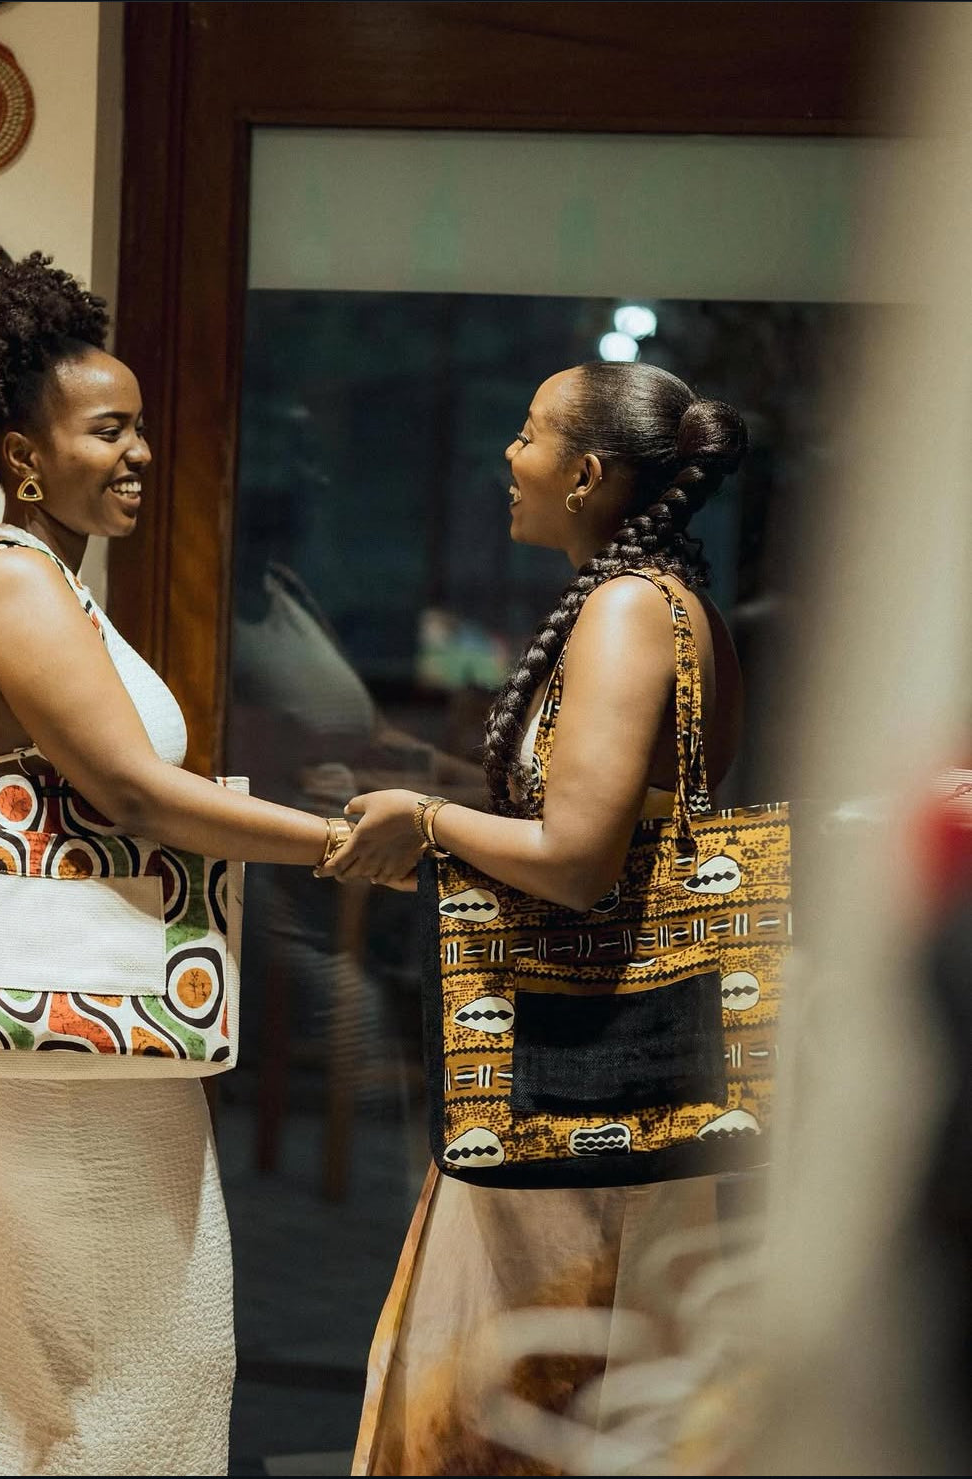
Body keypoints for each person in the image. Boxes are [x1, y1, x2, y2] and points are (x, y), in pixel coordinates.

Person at [0, 248, 354, 1477]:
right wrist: (339, 846)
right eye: (111, 430)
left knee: (55, 1372)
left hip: (79, 1028)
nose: (142, 452)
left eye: (140, 426)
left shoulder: (46, 582)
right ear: (24, 456)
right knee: (145, 1364)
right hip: (69, 1046)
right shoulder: (19, 586)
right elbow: (136, 795)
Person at [319, 360, 753, 1474]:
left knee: (512, 1406)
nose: (508, 457)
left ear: (586, 473)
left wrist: (426, 817)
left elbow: (574, 859)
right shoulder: (679, 606)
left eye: (526, 433)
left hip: (573, 1085)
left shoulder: (627, 608)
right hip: (626, 1072)